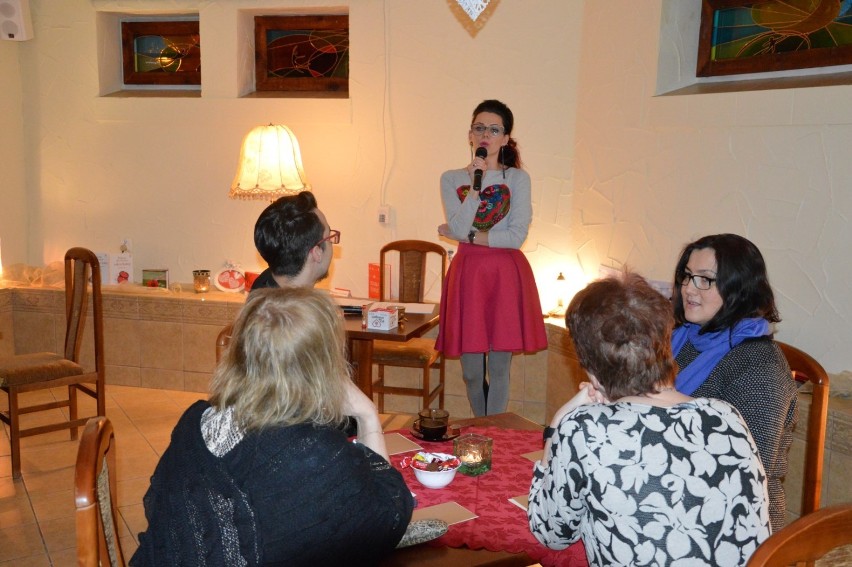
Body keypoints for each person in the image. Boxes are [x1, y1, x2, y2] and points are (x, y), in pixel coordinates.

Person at [131, 288, 414, 566]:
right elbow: (386, 519)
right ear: (323, 366)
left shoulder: (194, 422)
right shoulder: (313, 453)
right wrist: (367, 415)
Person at [529, 273, 771, 566]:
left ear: (590, 368)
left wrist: (558, 422)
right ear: (664, 343)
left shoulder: (584, 429)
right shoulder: (727, 417)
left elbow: (552, 533)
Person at [671, 233, 798, 532]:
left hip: (738, 526)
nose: (689, 288)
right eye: (687, 276)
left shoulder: (759, 367)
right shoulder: (686, 337)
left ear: (739, 288)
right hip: (681, 494)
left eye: (705, 279)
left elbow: (748, 475)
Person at [436, 99, 547, 416]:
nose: (486, 134)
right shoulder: (451, 178)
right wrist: (475, 187)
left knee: (499, 368)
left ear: (506, 138)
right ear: (470, 135)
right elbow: (456, 225)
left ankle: (492, 435)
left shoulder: (517, 180)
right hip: (468, 273)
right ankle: (480, 426)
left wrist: (468, 236)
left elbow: (515, 237)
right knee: (471, 372)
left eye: (494, 129)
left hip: (505, 274)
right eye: (480, 127)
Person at [251, 190, 338, 291]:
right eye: (329, 237)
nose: (331, 243)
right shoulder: (293, 306)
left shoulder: (263, 285)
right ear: (317, 252)